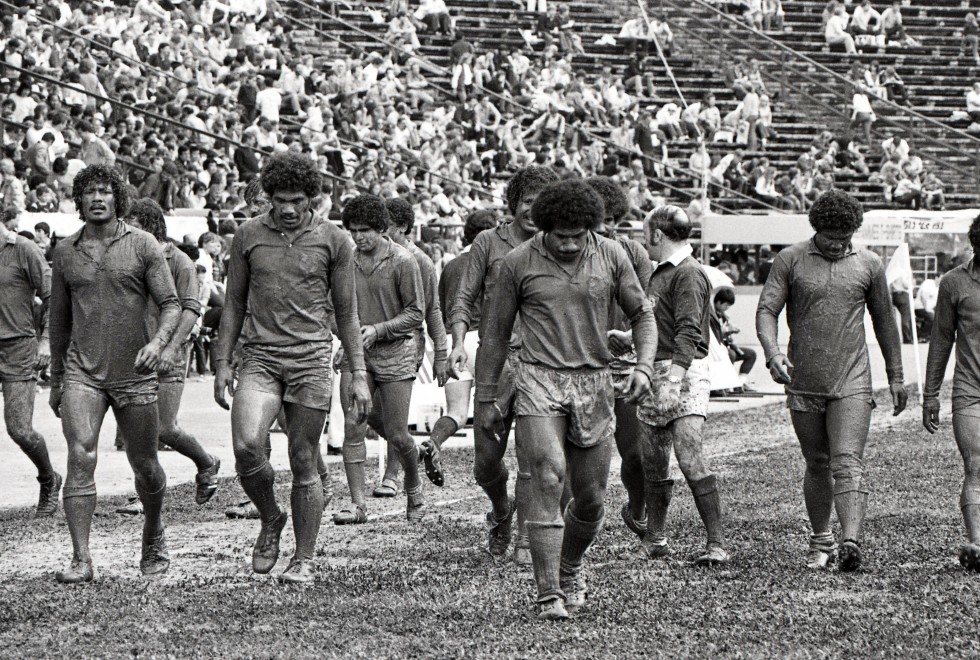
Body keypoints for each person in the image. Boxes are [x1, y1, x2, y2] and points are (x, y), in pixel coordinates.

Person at [477, 179, 656, 620]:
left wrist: (645, 366)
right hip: (538, 380)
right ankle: (548, 592)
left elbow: (643, 314)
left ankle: (570, 565)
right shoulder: (517, 262)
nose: (572, 243)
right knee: (548, 477)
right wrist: (485, 399)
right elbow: (496, 335)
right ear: (543, 228)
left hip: (595, 383)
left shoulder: (612, 254)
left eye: (580, 235)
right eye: (562, 236)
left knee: (592, 499)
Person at [214, 153, 371, 583]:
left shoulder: (335, 241)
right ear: (267, 196)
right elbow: (233, 304)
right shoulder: (247, 235)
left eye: (297, 200)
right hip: (260, 358)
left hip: (310, 359)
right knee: (247, 446)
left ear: (312, 199)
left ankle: (303, 558)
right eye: (279, 199)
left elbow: (347, 312)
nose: (287, 208)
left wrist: (358, 374)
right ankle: (270, 517)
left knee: (304, 457)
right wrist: (222, 359)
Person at [756, 189, 907, 572]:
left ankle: (849, 542)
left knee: (847, 461)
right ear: (815, 230)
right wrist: (773, 353)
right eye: (830, 238)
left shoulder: (870, 264)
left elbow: (885, 322)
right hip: (804, 378)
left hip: (853, 377)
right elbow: (767, 310)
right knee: (817, 461)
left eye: (846, 238)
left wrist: (896, 376)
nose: (839, 245)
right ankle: (821, 539)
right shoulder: (790, 259)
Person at [49, 165, 181, 583]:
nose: (98, 198)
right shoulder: (65, 252)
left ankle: (153, 531)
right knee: (80, 455)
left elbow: (173, 304)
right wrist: (56, 379)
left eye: (105, 191)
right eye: (90, 192)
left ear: (117, 198)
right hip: (82, 373)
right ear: (79, 200)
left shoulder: (143, 245)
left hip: (135, 372)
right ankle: (81, 557)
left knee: (145, 464)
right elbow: (58, 322)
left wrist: (158, 344)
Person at [447, 166, 560, 563]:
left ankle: (528, 541)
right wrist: (459, 342)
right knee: (485, 463)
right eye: (527, 201)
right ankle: (500, 509)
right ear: (514, 204)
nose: (533, 210)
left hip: (541, 362)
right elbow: (463, 297)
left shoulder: (557, 244)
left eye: (541, 202)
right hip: (494, 362)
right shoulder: (488, 243)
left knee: (534, 456)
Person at [623, 205, 730, 567]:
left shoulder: (688, 273)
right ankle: (656, 539)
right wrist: (629, 337)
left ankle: (716, 543)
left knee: (689, 456)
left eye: (644, 233)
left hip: (683, 372)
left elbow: (689, 331)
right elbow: (659, 321)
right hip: (657, 368)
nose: (643, 240)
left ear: (657, 235)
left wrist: (674, 380)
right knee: (653, 462)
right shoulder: (662, 273)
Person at [114, 199, 221, 516]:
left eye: (132, 228)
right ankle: (142, 496)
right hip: (136, 352)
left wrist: (172, 348)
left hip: (171, 354)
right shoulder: (130, 259)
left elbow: (190, 309)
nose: (126, 234)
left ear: (149, 227)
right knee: (138, 429)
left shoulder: (179, 262)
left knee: (163, 427)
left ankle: (206, 461)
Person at [332, 195, 425, 525]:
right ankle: (357, 504)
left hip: (397, 353)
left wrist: (380, 329)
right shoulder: (346, 261)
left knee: (398, 434)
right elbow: (336, 308)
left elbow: (416, 313)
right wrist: (348, 338)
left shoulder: (403, 262)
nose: (359, 237)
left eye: (366, 230)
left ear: (383, 228)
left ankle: (413, 486)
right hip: (358, 354)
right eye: (353, 230)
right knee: (352, 423)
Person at [585, 177, 653, 539]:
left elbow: (647, 307)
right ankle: (583, 517)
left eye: (614, 218)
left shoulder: (635, 253)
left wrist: (632, 343)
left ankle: (637, 508)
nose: (608, 226)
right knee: (587, 453)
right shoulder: (571, 251)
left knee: (637, 454)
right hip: (584, 364)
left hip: (626, 364)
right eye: (601, 218)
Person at [367, 198, 449, 493]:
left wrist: (441, 353)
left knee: (392, 413)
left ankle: (392, 475)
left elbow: (433, 311)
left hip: (405, 343)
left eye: (384, 226)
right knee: (370, 413)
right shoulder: (371, 256)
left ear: (401, 227)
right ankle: (415, 451)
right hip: (372, 342)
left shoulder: (420, 261)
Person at [424, 210, 499, 487]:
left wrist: (442, 350)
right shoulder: (495, 260)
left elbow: (441, 309)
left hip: (455, 341)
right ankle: (488, 466)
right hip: (486, 340)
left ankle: (434, 442)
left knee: (456, 411)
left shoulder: (452, 265)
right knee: (493, 407)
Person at [923, 217, 980, 569]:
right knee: (975, 465)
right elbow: (941, 338)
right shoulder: (954, 282)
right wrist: (931, 394)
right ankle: (976, 544)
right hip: (970, 390)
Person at [0, 214, 61, 518]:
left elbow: (53, 297)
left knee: (19, 429)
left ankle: (49, 478)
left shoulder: (24, 249)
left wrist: (47, 341)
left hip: (18, 347)